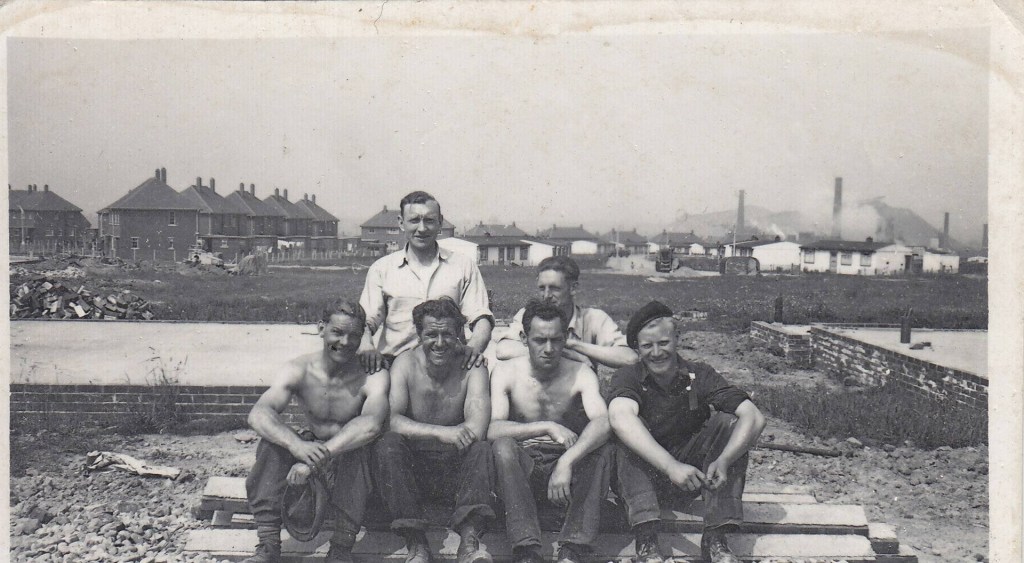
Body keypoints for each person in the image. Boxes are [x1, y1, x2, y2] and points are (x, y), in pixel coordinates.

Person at [607, 301, 767, 563]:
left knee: (729, 422)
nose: (656, 353)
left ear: (677, 339)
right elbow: (619, 417)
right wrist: (670, 466)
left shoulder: (699, 374)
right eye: (647, 346)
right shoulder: (628, 376)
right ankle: (647, 539)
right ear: (637, 348)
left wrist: (725, 460)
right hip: (640, 479)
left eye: (664, 343)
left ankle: (715, 537)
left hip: (692, 480)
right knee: (627, 433)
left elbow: (754, 417)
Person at [243, 300, 390, 563]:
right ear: (321, 329)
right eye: (337, 332)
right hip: (310, 455)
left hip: (347, 463)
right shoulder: (299, 368)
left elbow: (371, 424)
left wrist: (316, 458)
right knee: (271, 444)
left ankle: (341, 548)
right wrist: (296, 445)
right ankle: (268, 544)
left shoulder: (371, 374)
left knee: (359, 450)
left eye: (354, 335)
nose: (345, 342)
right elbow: (259, 414)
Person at [372, 297, 496, 563]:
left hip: (456, 469)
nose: (439, 343)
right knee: (388, 444)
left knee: (482, 448)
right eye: (431, 334)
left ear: (459, 333)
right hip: (414, 470)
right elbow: (389, 420)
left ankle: (469, 542)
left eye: (447, 334)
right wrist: (441, 432)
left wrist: (450, 435)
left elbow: (477, 427)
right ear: (419, 334)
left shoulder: (472, 366)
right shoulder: (405, 363)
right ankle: (417, 544)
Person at [489, 299, 613, 563]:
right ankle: (527, 550)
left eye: (556, 340)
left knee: (603, 450)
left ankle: (573, 549)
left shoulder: (580, 373)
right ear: (524, 339)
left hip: (566, 470)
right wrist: (547, 426)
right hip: (525, 470)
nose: (548, 349)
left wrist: (567, 462)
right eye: (539, 340)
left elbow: (603, 422)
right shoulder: (506, 372)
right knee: (502, 446)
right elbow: (492, 428)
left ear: (566, 338)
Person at [359, 191, 494, 373]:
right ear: (401, 223)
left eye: (429, 220)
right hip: (393, 365)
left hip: (447, 368)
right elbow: (365, 320)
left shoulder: (463, 266)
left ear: (440, 222)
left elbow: (481, 317)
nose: (422, 229)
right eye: (414, 220)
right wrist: (366, 344)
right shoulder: (381, 269)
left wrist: (474, 347)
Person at [493, 256, 636, 371]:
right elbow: (503, 350)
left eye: (554, 288)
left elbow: (630, 358)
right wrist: (568, 353)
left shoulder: (594, 318)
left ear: (573, 288)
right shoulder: (529, 315)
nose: (546, 296)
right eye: (542, 288)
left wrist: (573, 345)